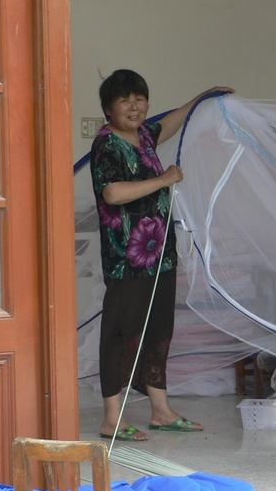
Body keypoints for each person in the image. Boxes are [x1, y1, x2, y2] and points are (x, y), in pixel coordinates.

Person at [90, 69, 234, 441]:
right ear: (108, 108)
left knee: (158, 332)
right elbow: (113, 194)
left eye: (140, 98)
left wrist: (203, 96)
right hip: (127, 258)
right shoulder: (107, 144)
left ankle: (161, 411)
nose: (135, 106)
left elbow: (168, 123)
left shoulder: (144, 137)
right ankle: (111, 418)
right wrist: (164, 179)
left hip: (159, 253)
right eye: (125, 100)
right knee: (121, 334)